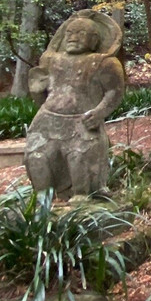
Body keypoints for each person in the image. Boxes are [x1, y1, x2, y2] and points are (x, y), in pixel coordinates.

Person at [26, 10, 125, 199]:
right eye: (69, 33)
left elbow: (115, 91)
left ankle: (81, 195)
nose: (73, 38)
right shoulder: (51, 60)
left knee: (79, 157)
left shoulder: (103, 62)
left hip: (82, 121)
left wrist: (99, 112)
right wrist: (37, 89)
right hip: (47, 119)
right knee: (36, 157)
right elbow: (40, 87)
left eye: (81, 34)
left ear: (94, 39)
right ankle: (43, 199)